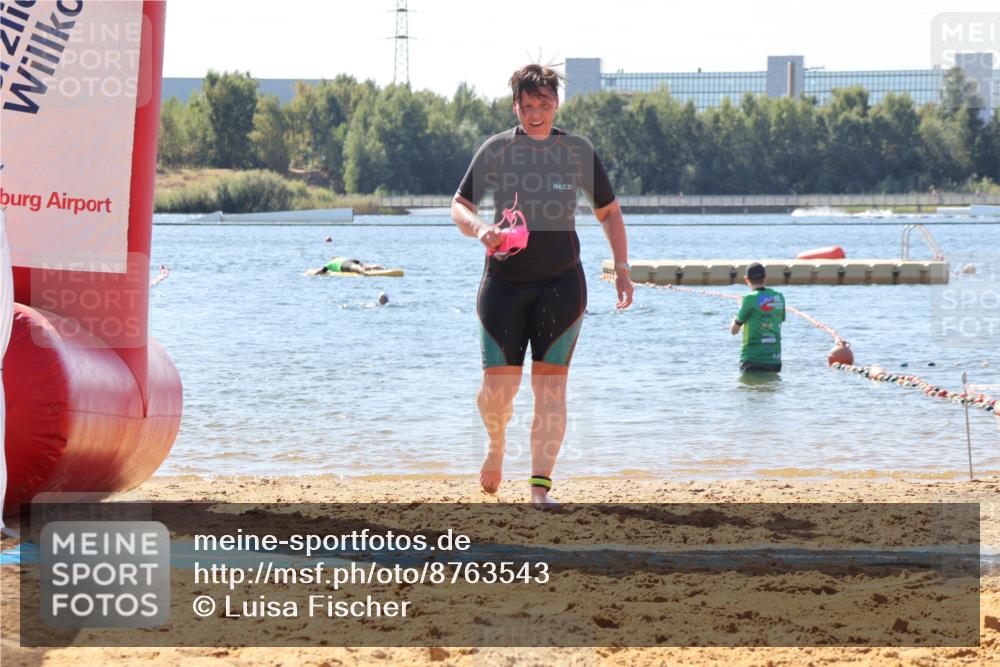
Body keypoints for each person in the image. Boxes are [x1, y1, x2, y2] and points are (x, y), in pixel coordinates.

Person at [451, 64, 634, 505]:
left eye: (544, 105)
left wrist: (621, 268)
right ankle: (496, 446)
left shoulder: (576, 152)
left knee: (550, 389)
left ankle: (539, 487)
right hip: (503, 286)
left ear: (556, 104)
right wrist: (479, 229)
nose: (536, 114)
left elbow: (608, 213)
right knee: (497, 393)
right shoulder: (496, 150)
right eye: (528, 105)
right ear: (516, 105)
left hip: (562, 285)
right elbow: (460, 205)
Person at [730, 263, 785, 373]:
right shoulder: (779, 296)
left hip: (753, 359)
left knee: (751, 388)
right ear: (765, 278)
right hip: (774, 359)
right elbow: (779, 320)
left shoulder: (749, 298)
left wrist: (741, 307)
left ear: (746, 279)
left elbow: (734, 330)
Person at [316, 256, 384, 275]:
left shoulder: (329, 263)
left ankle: (364, 271)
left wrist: (314, 274)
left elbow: (322, 271)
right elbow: (354, 260)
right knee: (367, 266)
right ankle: (381, 268)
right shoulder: (340, 258)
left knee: (357, 268)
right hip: (349, 260)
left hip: (343, 265)